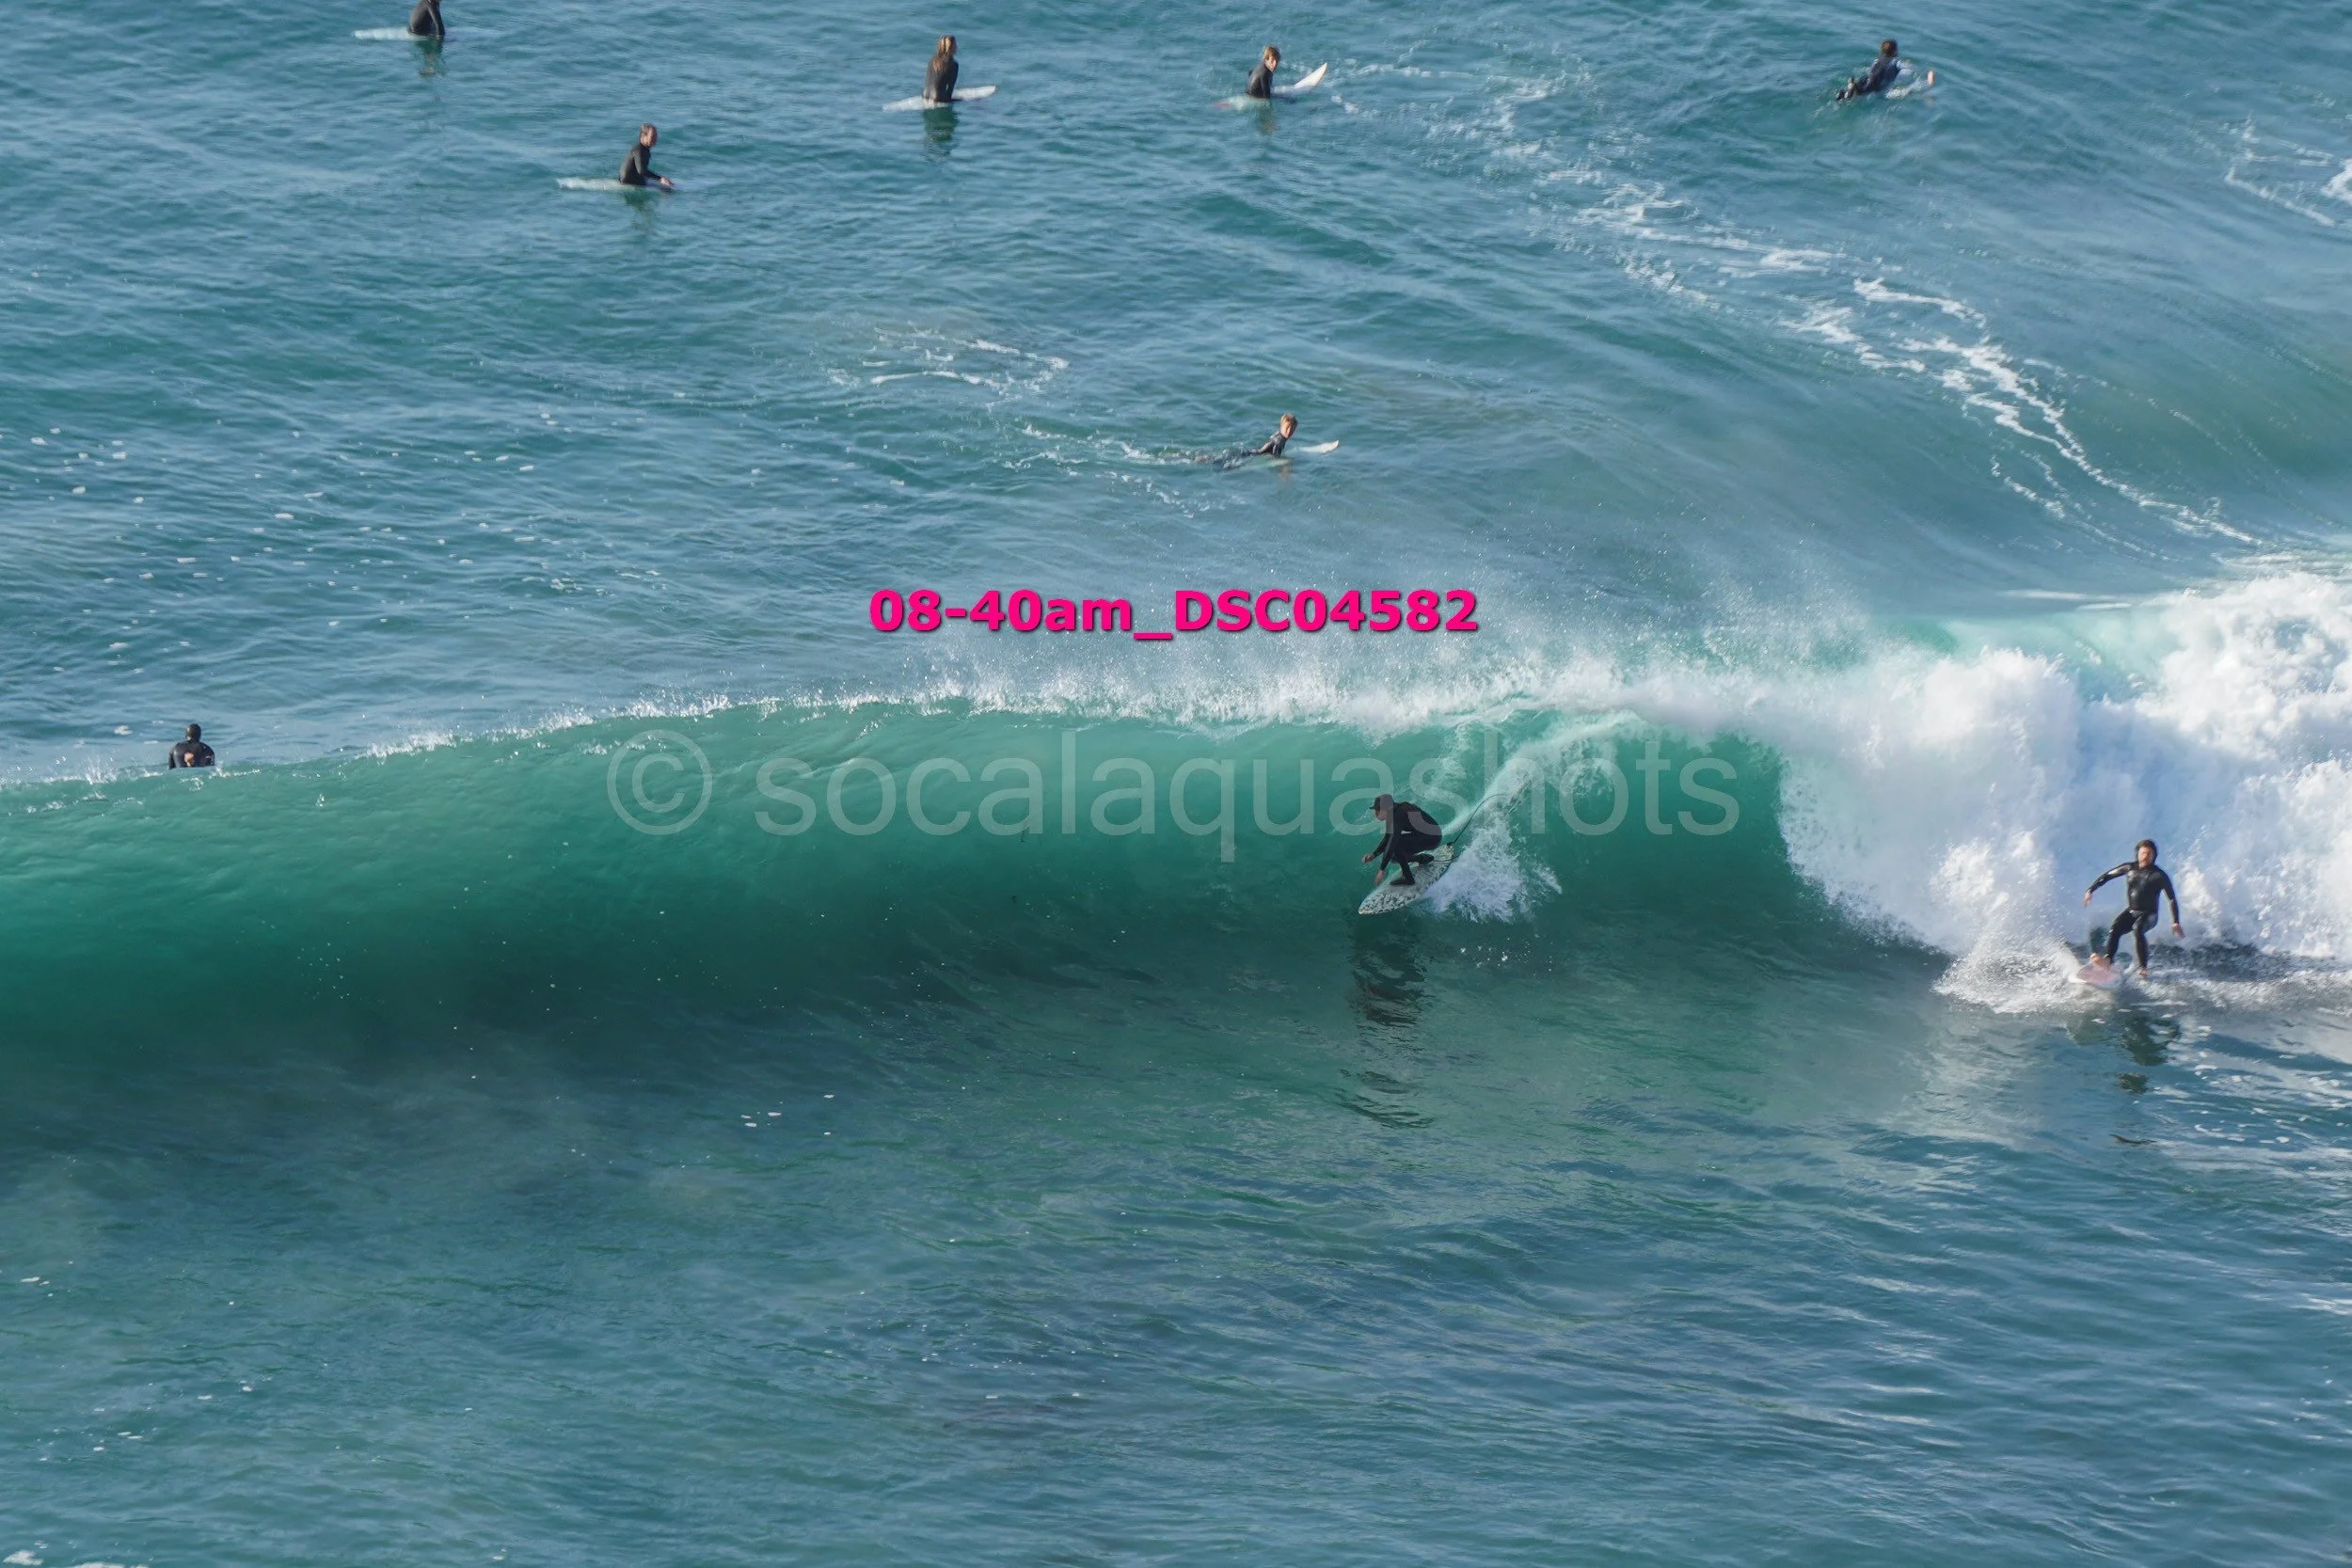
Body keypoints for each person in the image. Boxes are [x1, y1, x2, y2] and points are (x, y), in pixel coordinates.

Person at [2083, 839, 2183, 977]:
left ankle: (2143, 968)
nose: (2146, 856)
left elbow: (2171, 898)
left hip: (2150, 915)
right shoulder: (2129, 868)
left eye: (2149, 854)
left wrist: (2175, 921)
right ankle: (2108, 961)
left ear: (2154, 856)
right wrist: (2090, 890)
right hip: (2132, 911)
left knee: (2138, 929)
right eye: (2143, 853)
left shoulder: (2159, 875)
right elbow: (2106, 876)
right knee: (2115, 927)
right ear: (2138, 854)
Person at [1363, 794, 1445, 887]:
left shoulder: (1399, 814)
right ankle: (1422, 858)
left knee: (1396, 845)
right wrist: (1374, 854)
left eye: (1377, 811)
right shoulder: (1394, 812)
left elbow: (1392, 842)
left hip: (1432, 838)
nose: (1376, 814)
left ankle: (1408, 878)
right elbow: (1388, 837)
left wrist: (1381, 870)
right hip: (1426, 836)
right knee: (1393, 857)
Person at [1837, 39, 1902, 101]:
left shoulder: (1878, 59)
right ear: (1894, 51)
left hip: (1869, 76)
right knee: (1866, 91)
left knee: (1863, 85)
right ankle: (1855, 87)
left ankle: (1849, 89)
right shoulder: (1895, 61)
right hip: (1878, 79)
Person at [619, 124, 674, 190]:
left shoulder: (643, 149)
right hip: (630, 183)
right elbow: (641, 171)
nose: (655, 139)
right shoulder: (639, 150)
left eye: (656, 136)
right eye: (652, 136)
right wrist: (660, 178)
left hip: (634, 181)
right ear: (643, 136)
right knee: (668, 189)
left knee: (667, 186)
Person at [926, 36, 960, 105]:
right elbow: (950, 90)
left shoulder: (933, 60)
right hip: (938, 99)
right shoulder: (953, 64)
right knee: (974, 102)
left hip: (925, 95)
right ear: (951, 47)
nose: (957, 47)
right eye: (955, 45)